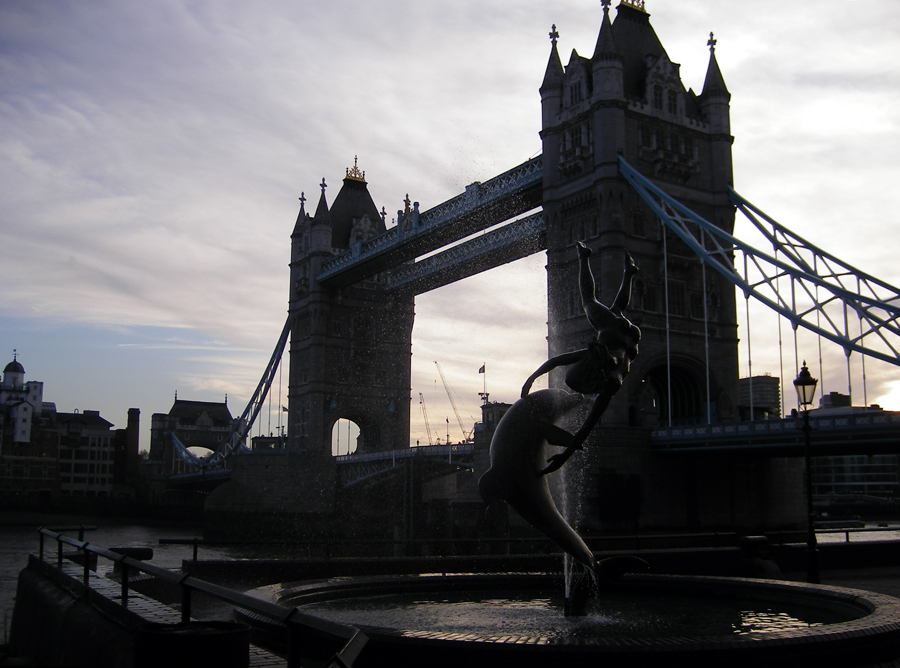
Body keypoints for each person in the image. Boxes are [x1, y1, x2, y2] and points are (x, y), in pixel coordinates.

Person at [521, 241, 640, 474]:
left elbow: (585, 429)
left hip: (631, 341)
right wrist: (531, 378)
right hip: (617, 335)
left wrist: (564, 457)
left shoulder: (612, 384)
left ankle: (622, 271)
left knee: (602, 306)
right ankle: (588, 258)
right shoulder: (599, 359)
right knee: (598, 305)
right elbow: (557, 362)